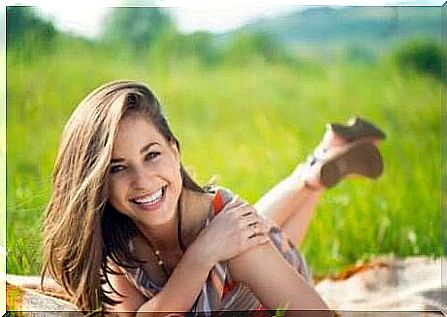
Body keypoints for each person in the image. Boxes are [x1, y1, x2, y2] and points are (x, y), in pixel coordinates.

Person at [41, 80, 384, 316]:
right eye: (117, 167)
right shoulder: (120, 238)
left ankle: (314, 174)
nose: (142, 181)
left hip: (264, 263)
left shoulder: (238, 239)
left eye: (152, 155)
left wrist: (212, 250)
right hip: (223, 234)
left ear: (175, 151)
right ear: (96, 180)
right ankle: (318, 164)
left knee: (255, 238)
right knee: (240, 230)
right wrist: (202, 256)